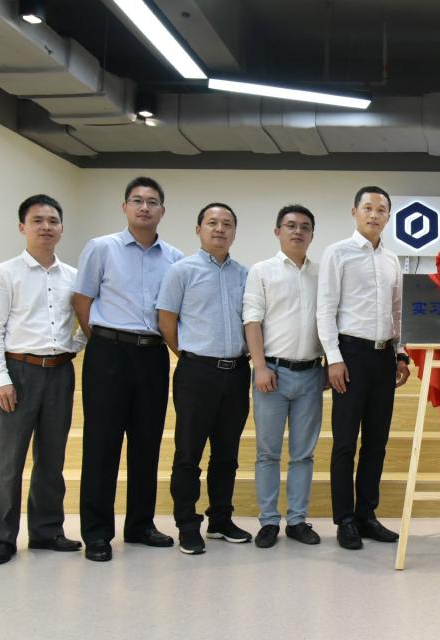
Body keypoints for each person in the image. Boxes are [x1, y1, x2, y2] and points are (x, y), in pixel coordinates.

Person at [72, 176, 183, 562]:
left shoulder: (174, 257)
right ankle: (97, 532)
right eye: (137, 200)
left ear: (162, 211)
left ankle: (140, 525)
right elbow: (82, 300)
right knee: (101, 445)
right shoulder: (101, 247)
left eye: (152, 202)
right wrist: (103, 340)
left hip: (152, 355)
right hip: (109, 353)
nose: (144, 207)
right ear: (125, 207)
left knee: (146, 444)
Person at [0, 194, 86, 565]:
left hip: (59, 372)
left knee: (51, 459)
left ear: (62, 228)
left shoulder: (72, 276)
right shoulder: (4, 273)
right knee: (8, 462)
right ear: (22, 227)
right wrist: (0, 378)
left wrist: (74, 346)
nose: (46, 227)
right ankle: (2, 537)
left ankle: (46, 531)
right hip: (18, 372)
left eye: (53, 221)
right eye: (37, 220)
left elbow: (86, 322)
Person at [317, 186, 411, 550]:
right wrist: (334, 358)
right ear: (354, 211)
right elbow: (325, 309)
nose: (374, 214)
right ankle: (344, 520)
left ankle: (366, 515)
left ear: (388, 216)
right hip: (350, 355)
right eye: (367, 208)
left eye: (381, 209)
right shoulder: (337, 253)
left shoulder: (392, 260)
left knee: (376, 442)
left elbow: (397, 311)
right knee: (345, 442)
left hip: (383, 357)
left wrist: (400, 354)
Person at [157, 203, 251, 555]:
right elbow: (166, 320)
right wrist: (189, 355)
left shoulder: (244, 274)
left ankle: (220, 520)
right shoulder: (181, 271)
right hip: (196, 372)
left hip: (237, 372)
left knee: (227, 454)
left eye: (227, 223)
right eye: (212, 222)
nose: (219, 229)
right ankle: (187, 524)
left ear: (235, 232)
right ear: (198, 229)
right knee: (188, 453)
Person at [243, 205, 325, 549]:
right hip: (271, 375)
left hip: (311, 374)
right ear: (278, 231)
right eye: (290, 225)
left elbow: (331, 321)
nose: (298, 231)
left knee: (303, 454)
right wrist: (260, 366)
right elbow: (252, 320)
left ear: (312, 235)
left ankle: (297, 520)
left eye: (305, 227)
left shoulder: (322, 273)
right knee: (268, 453)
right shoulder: (261, 271)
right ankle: (268, 521)